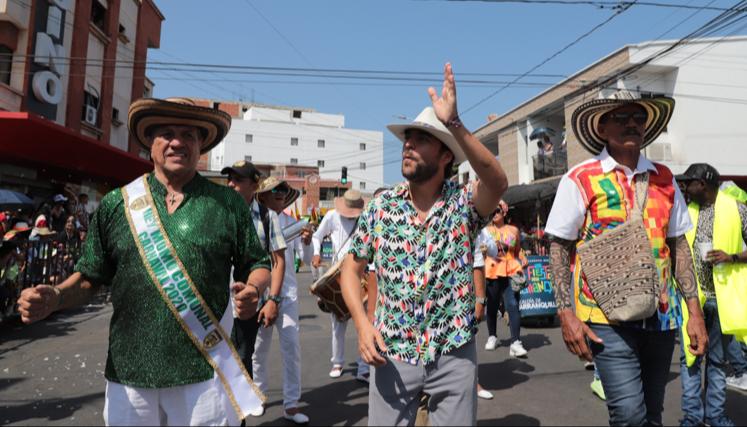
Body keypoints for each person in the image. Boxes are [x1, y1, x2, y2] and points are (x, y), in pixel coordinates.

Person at [17, 97, 271, 426]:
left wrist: (253, 288)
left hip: (204, 371)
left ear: (200, 146)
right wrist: (56, 296)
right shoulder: (116, 205)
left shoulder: (227, 204)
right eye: (166, 133)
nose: (178, 141)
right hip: (129, 371)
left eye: (189, 135)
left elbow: (259, 262)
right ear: (150, 144)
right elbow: (89, 276)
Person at [340, 63, 508, 426]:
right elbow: (350, 272)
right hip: (392, 352)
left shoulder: (463, 203)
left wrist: (456, 124)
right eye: (407, 139)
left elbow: (497, 182)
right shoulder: (382, 207)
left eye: (421, 140)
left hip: (453, 353)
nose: (408, 145)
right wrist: (362, 326)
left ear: (446, 155)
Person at [546, 91, 708, 426]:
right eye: (621, 118)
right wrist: (566, 315)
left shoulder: (665, 179)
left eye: (638, 118)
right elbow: (559, 247)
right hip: (606, 318)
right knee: (629, 415)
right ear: (603, 128)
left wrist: (695, 314)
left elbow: (678, 246)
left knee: (652, 413)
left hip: (662, 318)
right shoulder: (580, 178)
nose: (632, 124)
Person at [675, 163, 747, 427]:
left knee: (717, 361)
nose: (685, 186)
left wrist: (733, 256)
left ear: (702, 184)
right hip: (691, 300)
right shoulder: (684, 211)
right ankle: (693, 417)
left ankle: (715, 416)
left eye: (689, 182)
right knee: (690, 358)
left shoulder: (737, 209)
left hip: (723, 299)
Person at [220, 160, 287, 419]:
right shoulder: (216, 212)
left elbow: (278, 262)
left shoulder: (269, 217)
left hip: (246, 304)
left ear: (254, 185)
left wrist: (273, 300)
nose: (231, 184)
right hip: (213, 303)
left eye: (238, 180)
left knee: (242, 359)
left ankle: (238, 417)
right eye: (229, 179)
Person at [252, 177, 312, 425]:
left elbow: (306, 259)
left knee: (291, 350)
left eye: (283, 191)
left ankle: (291, 404)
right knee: (258, 350)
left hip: (286, 297)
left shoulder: (295, 225)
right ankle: (257, 396)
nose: (279, 193)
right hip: (260, 296)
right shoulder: (252, 223)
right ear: (262, 196)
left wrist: (307, 242)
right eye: (274, 190)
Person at [311, 189, 370, 382]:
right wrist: (316, 253)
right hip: (339, 274)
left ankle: (363, 367)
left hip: (363, 272)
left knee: (364, 322)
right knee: (338, 322)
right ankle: (337, 362)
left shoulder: (367, 217)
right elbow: (316, 236)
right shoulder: (332, 216)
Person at [483, 200, 528, 358]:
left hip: (510, 271)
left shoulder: (513, 230)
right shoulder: (485, 231)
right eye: (492, 212)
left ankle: (515, 342)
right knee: (493, 305)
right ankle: (492, 336)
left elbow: (515, 250)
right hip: (492, 271)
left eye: (497, 211)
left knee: (513, 304)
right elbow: (483, 250)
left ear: (504, 212)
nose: (494, 214)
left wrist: (521, 258)